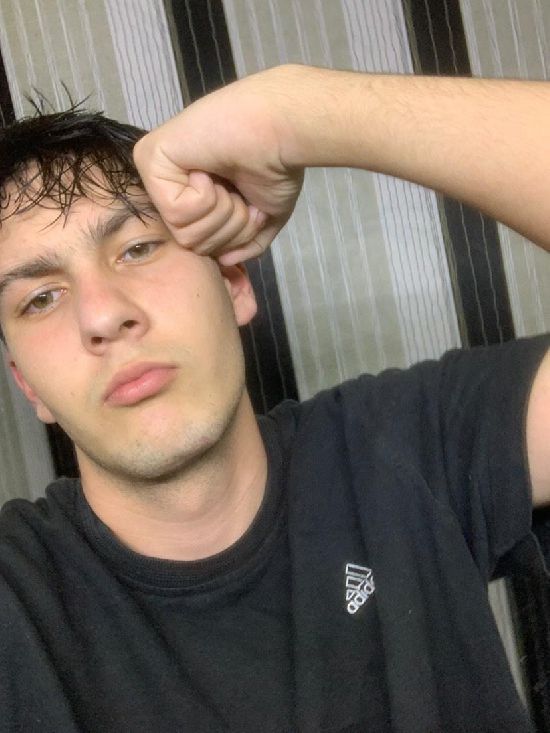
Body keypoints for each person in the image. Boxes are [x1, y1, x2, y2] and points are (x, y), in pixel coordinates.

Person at [0, 63, 549, 733]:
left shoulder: (405, 447)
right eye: (40, 298)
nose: (103, 315)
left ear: (232, 282)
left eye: (138, 248)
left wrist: (296, 113)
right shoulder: (17, 602)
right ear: (28, 384)